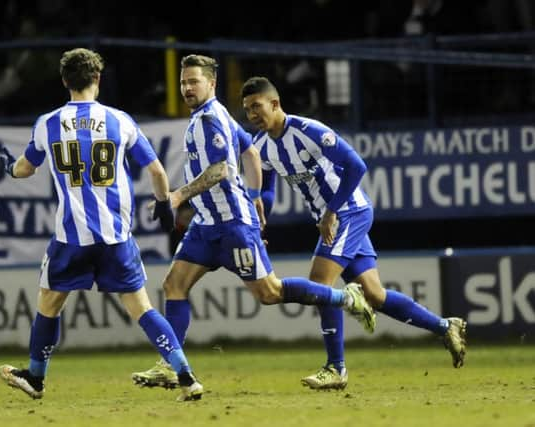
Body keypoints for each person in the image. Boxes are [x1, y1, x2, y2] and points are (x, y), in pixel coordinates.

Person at [131, 54, 376, 388]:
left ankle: (346, 298)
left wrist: (176, 196)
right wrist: (258, 194)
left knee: (270, 293)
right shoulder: (212, 118)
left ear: (211, 84)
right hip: (206, 225)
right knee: (174, 285)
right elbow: (251, 152)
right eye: (183, 82)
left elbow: (222, 170)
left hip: (232, 225)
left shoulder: (212, 119)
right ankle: (171, 365)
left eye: (193, 82)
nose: (187, 88)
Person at [0, 48, 202, 402]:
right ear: (98, 79)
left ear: (64, 81)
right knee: (141, 307)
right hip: (116, 236)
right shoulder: (119, 120)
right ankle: (185, 375)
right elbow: (155, 170)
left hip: (71, 237)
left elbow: (25, 167)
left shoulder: (48, 123)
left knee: (49, 302)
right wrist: (166, 204)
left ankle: (36, 376)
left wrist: (8, 168)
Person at [239, 76, 467, 390]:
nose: (252, 115)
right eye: (247, 110)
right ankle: (445, 326)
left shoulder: (309, 131)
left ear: (274, 104)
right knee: (374, 295)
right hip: (334, 218)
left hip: (349, 212)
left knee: (320, 283)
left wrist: (331, 211)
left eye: (256, 107)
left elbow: (356, 166)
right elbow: (268, 189)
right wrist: (260, 215)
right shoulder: (262, 146)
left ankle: (336, 368)